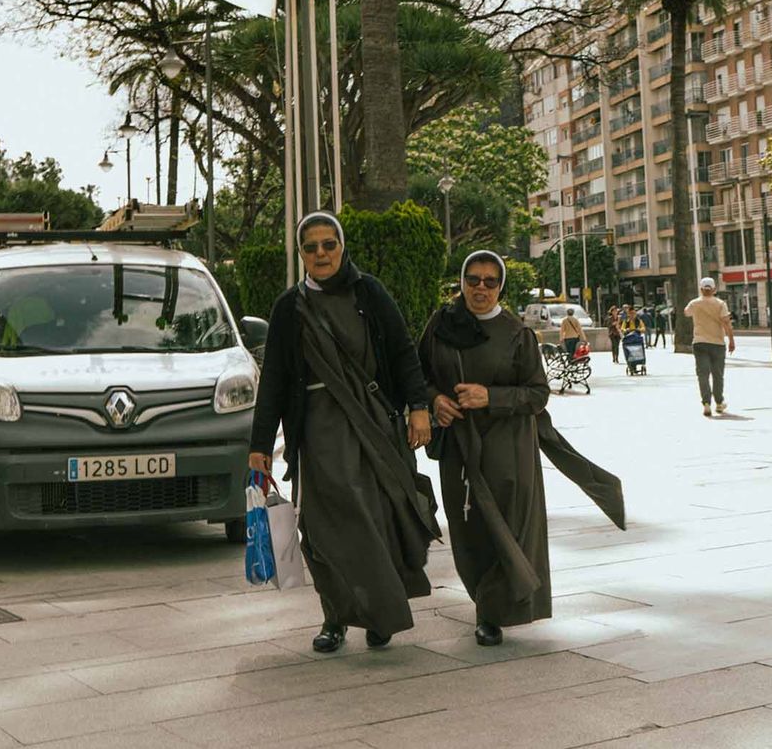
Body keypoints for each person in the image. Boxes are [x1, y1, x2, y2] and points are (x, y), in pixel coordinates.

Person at [248, 212, 440, 654]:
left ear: (341, 246)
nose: (321, 254)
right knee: (323, 531)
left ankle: (379, 614)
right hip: (316, 433)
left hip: (372, 424)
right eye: (311, 247)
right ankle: (334, 617)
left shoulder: (369, 292)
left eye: (328, 245)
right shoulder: (288, 307)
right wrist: (260, 445)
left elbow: (402, 350)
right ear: (300, 254)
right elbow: (274, 378)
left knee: (377, 522)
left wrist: (418, 408)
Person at [419, 251, 625, 648]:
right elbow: (418, 374)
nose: (481, 288)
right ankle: (483, 597)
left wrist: (488, 397)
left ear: (501, 287)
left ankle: (491, 613)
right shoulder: (440, 325)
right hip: (459, 444)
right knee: (469, 530)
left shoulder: (517, 333)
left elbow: (536, 394)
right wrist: (434, 401)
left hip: (507, 445)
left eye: (490, 281)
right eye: (473, 279)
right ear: (461, 282)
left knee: (506, 527)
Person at [685, 277, 735, 417]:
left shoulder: (694, 303)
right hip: (717, 343)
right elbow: (726, 323)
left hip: (700, 342)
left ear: (701, 289)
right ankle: (719, 403)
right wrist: (731, 340)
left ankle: (706, 403)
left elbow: (686, 312)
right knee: (718, 375)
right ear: (714, 289)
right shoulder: (720, 304)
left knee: (703, 374)